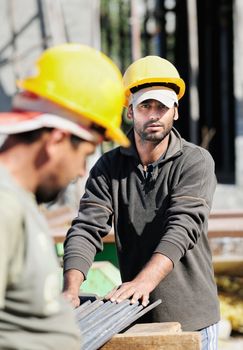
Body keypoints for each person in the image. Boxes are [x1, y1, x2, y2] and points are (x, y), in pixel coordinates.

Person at [63, 55, 220, 349]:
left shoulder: (195, 161)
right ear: (130, 111)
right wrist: (70, 290)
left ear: (175, 110)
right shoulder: (108, 167)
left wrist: (143, 282)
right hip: (134, 318)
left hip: (192, 318)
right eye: (145, 105)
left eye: (162, 106)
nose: (154, 114)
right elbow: (86, 227)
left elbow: (183, 226)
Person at [0, 43, 129, 350]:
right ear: (56, 140)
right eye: (85, 153)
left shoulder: (20, 202)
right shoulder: (4, 207)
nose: (82, 170)